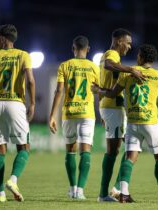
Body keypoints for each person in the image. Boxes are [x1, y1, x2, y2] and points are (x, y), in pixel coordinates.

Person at [93, 44, 158, 203]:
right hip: (151, 122)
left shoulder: (127, 74)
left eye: (138, 55)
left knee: (129, 158)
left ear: (141, 57)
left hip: (132, 122)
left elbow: (112, 93)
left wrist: (99, 91)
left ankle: (124, 193)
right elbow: (156, 91)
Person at [0, 24, 35, 202]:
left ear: (3, 38)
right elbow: (31, 81)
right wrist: (32, 104)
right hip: (16, 103)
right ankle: (13, 180)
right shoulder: (23, 55)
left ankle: (0, 194)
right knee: (24, 147)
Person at [97, 28, 146, 202]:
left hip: (112, 107)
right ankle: (104, 193)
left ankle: (115, 188)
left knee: (130, 146)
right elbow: (108, 65)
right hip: (113, 107)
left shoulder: (111, 56)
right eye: (128, 43)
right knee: (115, 150)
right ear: (119, 41)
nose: (130, 46)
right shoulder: (111, 54)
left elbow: (105, 80)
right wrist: (131, 70)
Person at [49, 35, 99, 200]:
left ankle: (72, 189)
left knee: (70, 151)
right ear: (88, 49)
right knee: (86, 151)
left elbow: (58, 91)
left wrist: (52, 116)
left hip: (69, 113)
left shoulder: (65, 65)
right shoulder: (94, 67)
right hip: (87, 114)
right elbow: (100, 90)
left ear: (73, 48)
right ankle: (80, 190)